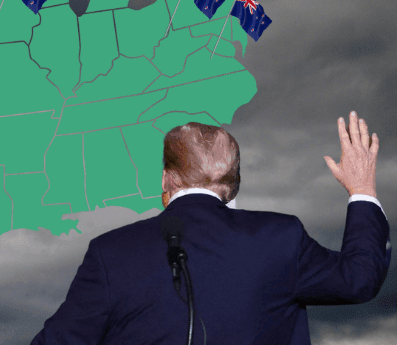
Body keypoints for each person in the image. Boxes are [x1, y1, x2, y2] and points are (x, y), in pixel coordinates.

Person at [31, 111, 390, 344]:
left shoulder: (110, 253)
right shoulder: (280, 238)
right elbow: (360, 278)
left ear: (166, 180)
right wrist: (362, 189)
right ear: (233, 185)